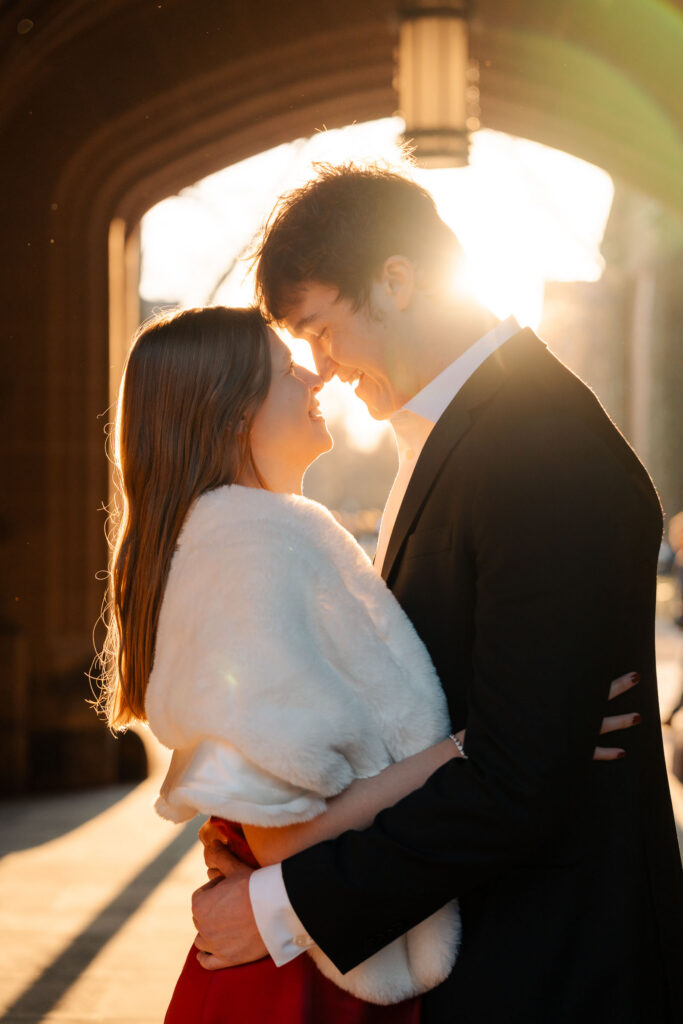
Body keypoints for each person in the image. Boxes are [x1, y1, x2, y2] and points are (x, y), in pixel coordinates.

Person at [191, 166, 683, 1023]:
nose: (321, 369)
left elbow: (517, 781)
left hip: (556, 968)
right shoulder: (458, 434)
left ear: (396, 280)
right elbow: (479, 729)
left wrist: (281, 907)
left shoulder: (539, 448)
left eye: (319, 329)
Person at [98, 304, 637, 1023]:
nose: (313, 370)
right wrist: (491, 745)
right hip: (300, 983)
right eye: (285, 364)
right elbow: (280, 833)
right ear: (232, 413)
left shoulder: (259, 541)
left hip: (318, 959)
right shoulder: (249, 553)